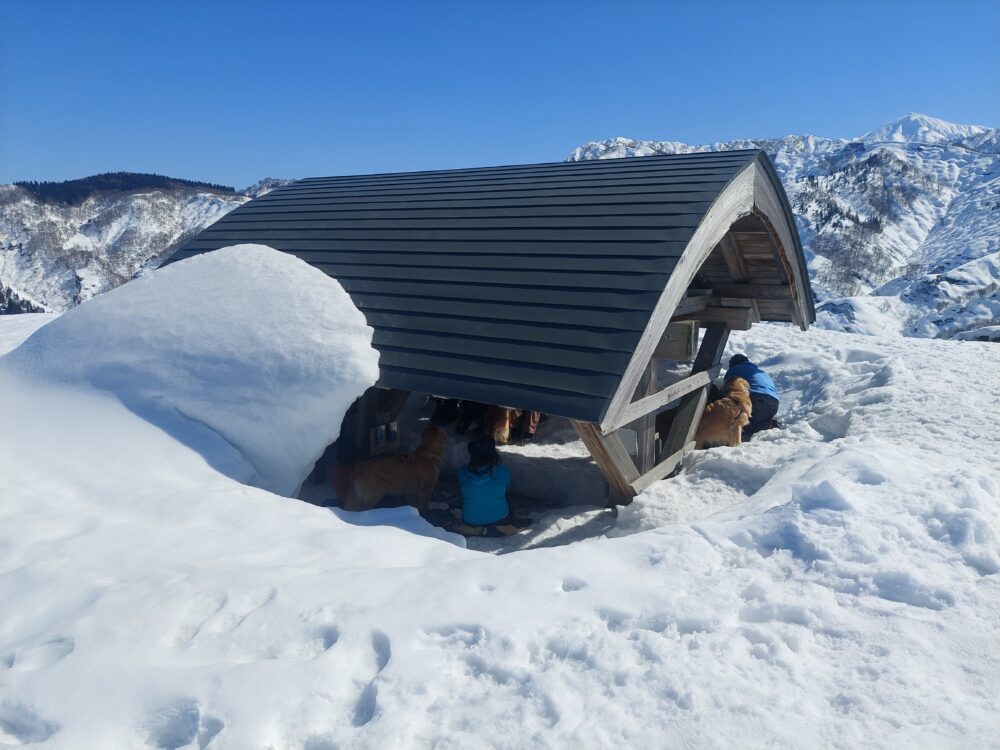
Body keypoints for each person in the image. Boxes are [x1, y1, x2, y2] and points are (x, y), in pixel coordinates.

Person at [457, 433, 525, 535]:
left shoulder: (461, 472)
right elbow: (506, 487)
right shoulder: (504, 472)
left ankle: (477, 525)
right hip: (500, 520)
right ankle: (497, 527)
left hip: (470, 522)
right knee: (502, 495)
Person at [724, 354, 780, 440]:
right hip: (774, 403)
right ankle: (769, 424)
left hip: (755, 398)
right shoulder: (761, 372)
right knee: (756, 423)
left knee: (736, 424)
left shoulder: (734, 369)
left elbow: (727, 388)